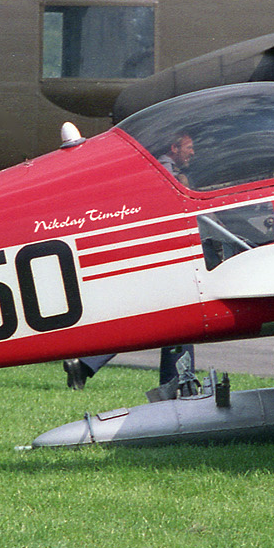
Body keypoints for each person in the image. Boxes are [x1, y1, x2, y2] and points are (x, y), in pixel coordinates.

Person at [64, 131, 197, 390]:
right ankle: (178, 383)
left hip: (161, 255)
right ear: (174, 147)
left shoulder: (157, 170)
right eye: (189, 147)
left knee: (164, 320)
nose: (193, 153)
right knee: (184, 317)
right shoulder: (168, 174)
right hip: (167, 256)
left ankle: (87, 363)